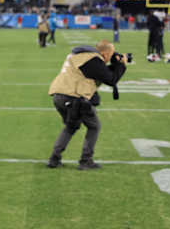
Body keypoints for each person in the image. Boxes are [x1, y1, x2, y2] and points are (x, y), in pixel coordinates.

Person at [47, 40, 127, 170]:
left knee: (71, 126)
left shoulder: (80, 55)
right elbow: (111, 79)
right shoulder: (92, 59)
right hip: (74, 97)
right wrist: (121, 65)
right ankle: (86, 160)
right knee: (94, 126)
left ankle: (54, 159)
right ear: (105, 53)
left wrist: (115, 64)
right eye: (110, 54)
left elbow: (101, 73)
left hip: (59, 95)